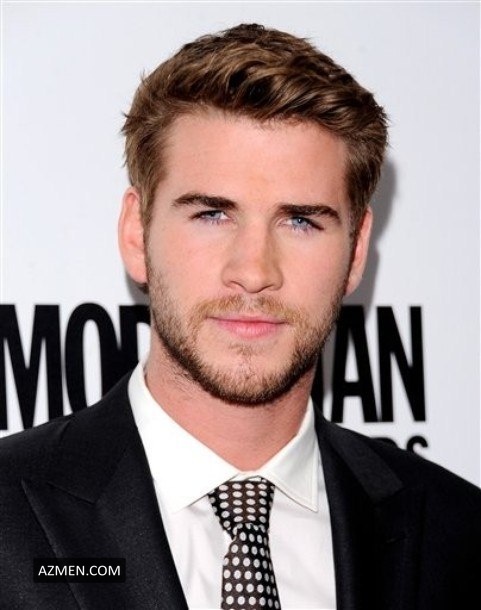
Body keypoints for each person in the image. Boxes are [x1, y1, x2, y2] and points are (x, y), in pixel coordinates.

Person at [0, 23, 480, 610]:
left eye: (300, 221)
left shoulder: (458, 536)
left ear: (356, 252)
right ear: (136, 234)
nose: (253, 271)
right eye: (212, 214)